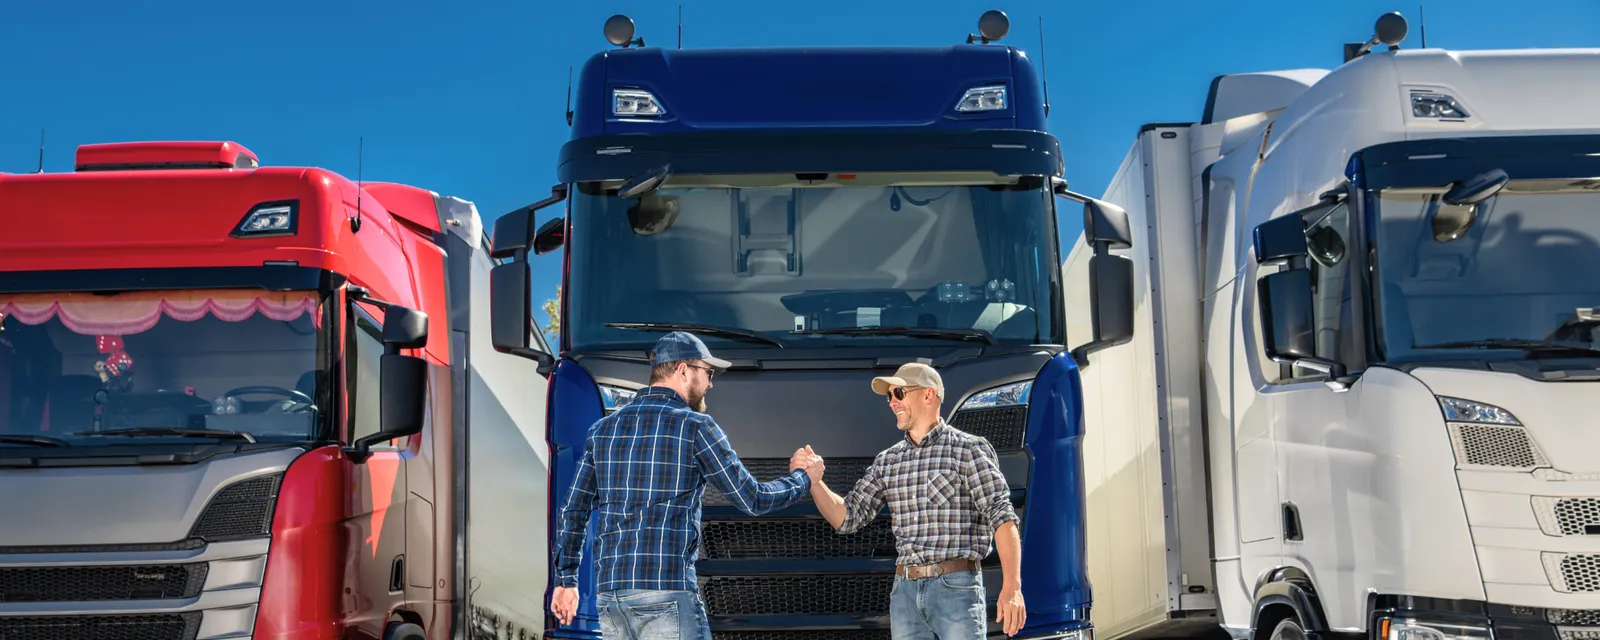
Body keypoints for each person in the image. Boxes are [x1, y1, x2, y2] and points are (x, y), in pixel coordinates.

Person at [549, 331, 823, 639]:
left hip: (612, 598)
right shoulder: (695, 427)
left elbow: (574, 510)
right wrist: (803, 479)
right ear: (683, 370)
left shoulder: (602, 431)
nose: (710, 383)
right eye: (707, 373)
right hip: (666, 593)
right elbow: (753, 498)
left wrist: (567, 580)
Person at [807, 362, 1026, 639]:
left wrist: (1012, 587)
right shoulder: (888, 461)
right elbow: (847, 517)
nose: (892, 403)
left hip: (956, 589)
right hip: (905, 592)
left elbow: (1002, 517)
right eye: (889, 397)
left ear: (928, 395)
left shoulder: (968, 449)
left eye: (898, 393)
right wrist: (814, 482)